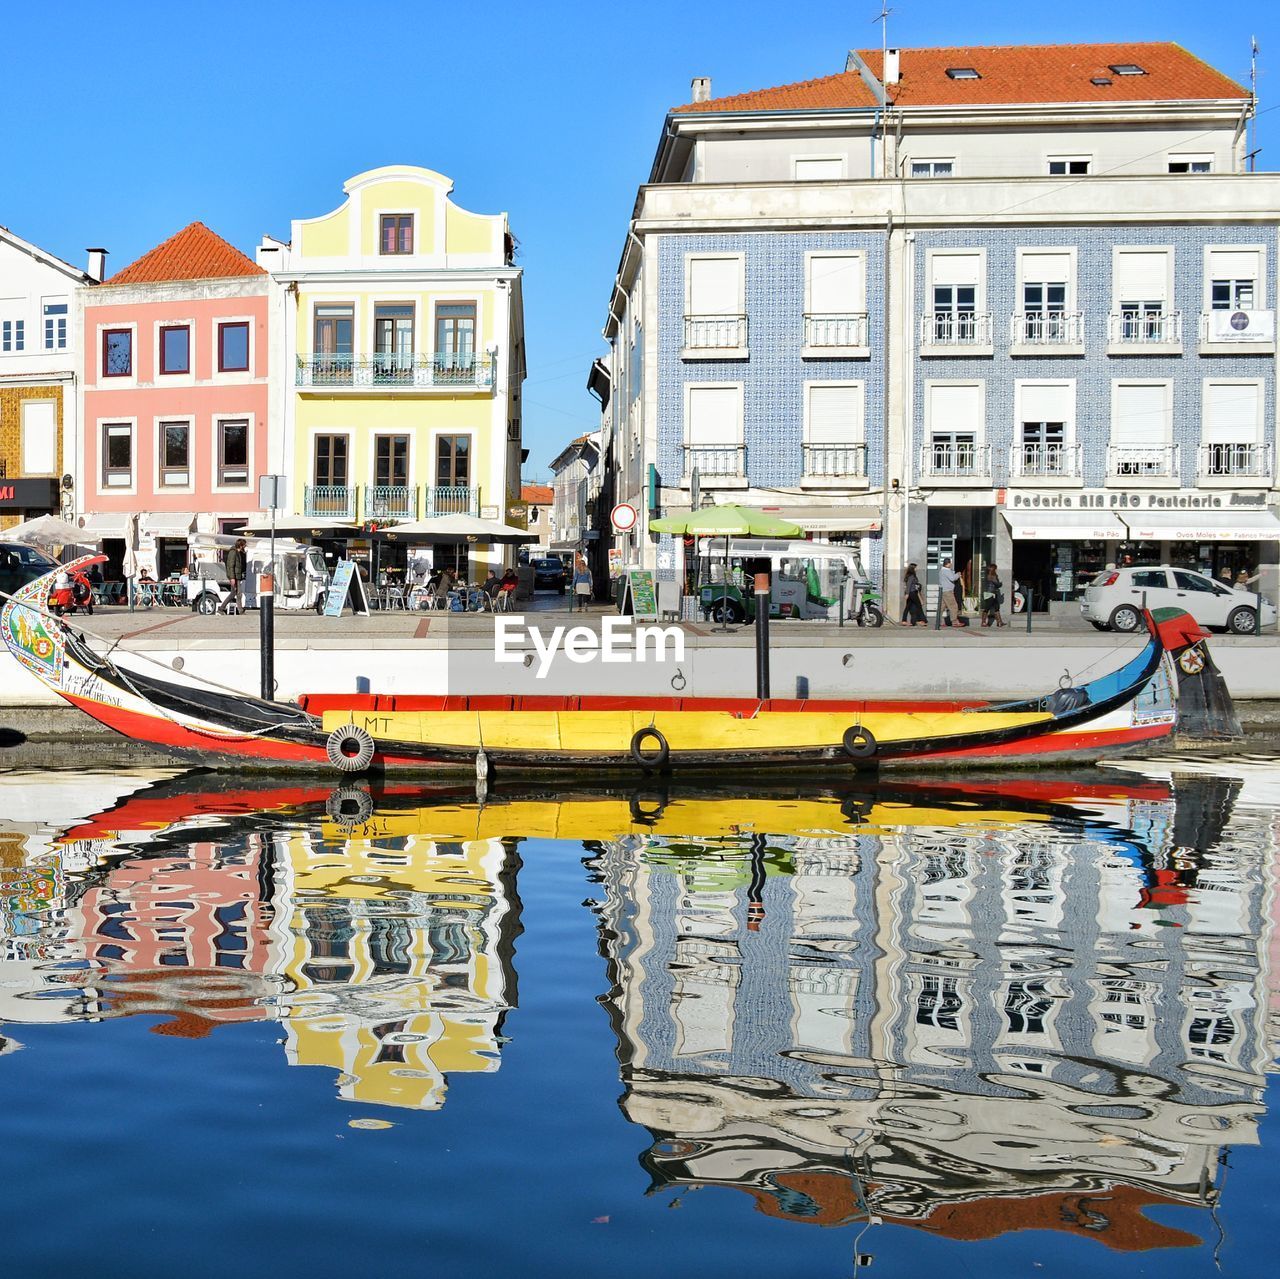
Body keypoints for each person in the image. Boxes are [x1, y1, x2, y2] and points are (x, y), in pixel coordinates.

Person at [937, 557, 961, 628]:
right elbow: (952, 578)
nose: (951, 564)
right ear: (948, 564)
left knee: (941, 607)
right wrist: (958, 574)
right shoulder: (946, 571)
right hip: (948, 591)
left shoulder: (941, 570)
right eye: (950, 563)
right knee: (953, 606)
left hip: (943, 591)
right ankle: (954, 622)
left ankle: (939, 621)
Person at [223, 539, 246, 609]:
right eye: (244, 544)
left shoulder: (238, 552)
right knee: (234, 594)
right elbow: (231, 565)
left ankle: (240, 610)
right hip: (234, 576)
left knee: (238, 594)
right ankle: (221, 608)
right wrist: (232, 578)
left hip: (237, 575)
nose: (245, 546)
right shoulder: (233, 552)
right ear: (241, 545)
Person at [901, 562, 927, 626]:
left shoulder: (910, 576)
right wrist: (907, 594)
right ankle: (922, 620)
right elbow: (909, 585)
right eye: (915, 568)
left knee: (907, 607)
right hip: (912, 593)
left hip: (910, 593)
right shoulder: (912, 576)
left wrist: (907, 593)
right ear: (913, 568)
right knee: (919, 606)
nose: (916, 569)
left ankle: (904, 620)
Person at [981, 563, 1005, 628]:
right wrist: (1001, 583)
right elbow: (997, 584)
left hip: (988, 594)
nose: (996, 570)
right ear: (993, 569)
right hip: (991, 594)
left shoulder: (987, 575)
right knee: (987, 608)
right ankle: (983, 622)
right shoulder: (993, 576)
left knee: (996, 607)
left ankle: (999, 622)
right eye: (996, 569)